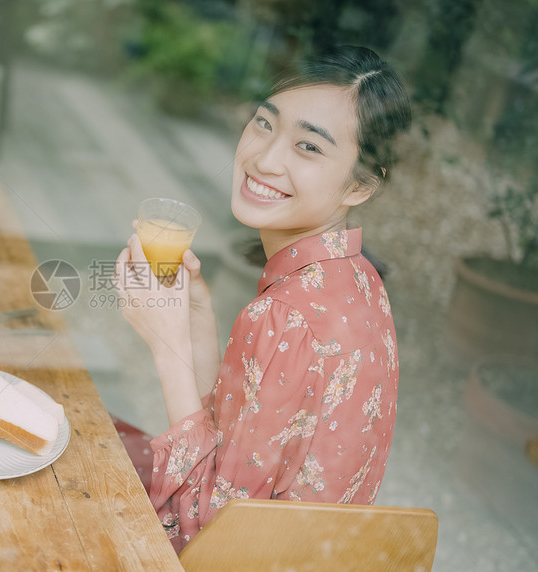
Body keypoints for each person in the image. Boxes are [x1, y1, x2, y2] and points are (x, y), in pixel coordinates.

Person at [113, 45, 411, 553]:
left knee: (82, 445)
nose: (265, 159)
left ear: (360, 186)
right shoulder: (357, 279)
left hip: (233, 559)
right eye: (264, 124)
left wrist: (166, 350)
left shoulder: (285, 315)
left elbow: (199, 532)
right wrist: (198, 326)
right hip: (304, 558)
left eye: (309, 148)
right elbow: (245, 444)